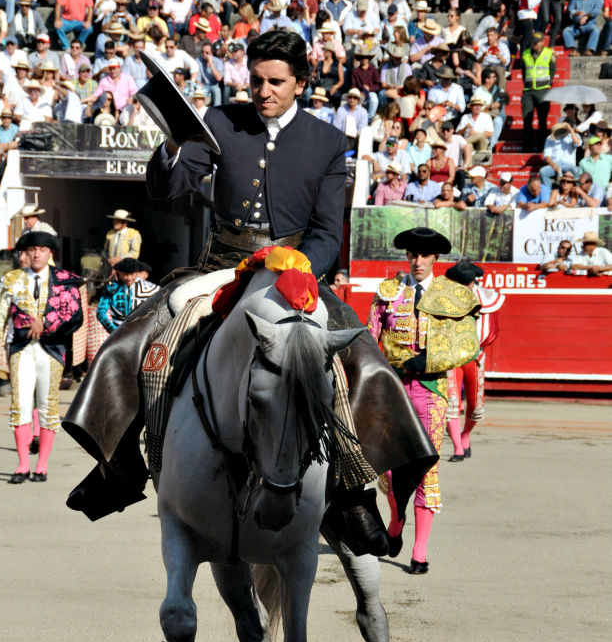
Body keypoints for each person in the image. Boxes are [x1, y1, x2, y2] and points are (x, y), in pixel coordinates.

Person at [65, 29, 437, 558]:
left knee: (365, 362)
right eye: (257, 80)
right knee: (127, 344)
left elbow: (329, 229)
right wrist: (173, 145)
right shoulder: (218, 121)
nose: (263, 91)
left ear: (301, 83)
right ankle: (121, 466)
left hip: (296, 270)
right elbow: (169, 190)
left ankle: (353, 490)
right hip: (220, 265)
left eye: (276, 82)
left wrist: (302, 270)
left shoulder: (328, 142)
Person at [367, 227, 480, 573]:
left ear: (435, 259)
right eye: (412, 255)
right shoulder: (389, 292)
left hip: (430, 391)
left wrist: (428, 361)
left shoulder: (452, 295)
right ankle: (397, 517)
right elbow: (370, 337)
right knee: (387, 465)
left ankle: (419, 552)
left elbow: (466, 344)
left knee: (426, 469)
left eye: (424, 255)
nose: (417, 261)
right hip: (392, 389)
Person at [0, 232, 83, 483]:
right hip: (21, 348)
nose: (37, 254)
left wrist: (45, 322)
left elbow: (74, 315)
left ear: (51, 253)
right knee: (20, 405)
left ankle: (42, 466)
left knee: (48, 406)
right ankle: (22, 465)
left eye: (42, 249)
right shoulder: (12, 279)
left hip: (51, 348)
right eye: (33, 249)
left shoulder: (65, 280)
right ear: (26, 253)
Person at [444, 258, 504, 461]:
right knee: (452, 402)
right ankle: (458, 448)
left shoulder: (485, 297)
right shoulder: (445, 298)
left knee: (475, 405)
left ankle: (465, 436)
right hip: (451, 357)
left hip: (475, 356)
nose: (464, 286)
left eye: (467, 282)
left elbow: (492, 330)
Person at [96, 257, 160, 332]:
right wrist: (113, 331)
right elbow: (100, 313)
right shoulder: (111, 289)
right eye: (125, 274)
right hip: (118, 333)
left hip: (142, 333)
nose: (129, 278)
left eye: (132, 274)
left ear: (137, 273)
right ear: (119, 273)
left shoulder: (152, 289)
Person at [520, 31, 555, 152]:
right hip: (528, 91)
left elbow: (552, 70)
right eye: (533, 42)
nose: (534, 44)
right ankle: (527, 147)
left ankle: (542, 147)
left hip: (542, 90)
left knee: (542, 120)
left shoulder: (549, 53)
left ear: (542, 42)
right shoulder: (525, 53)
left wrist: (547, 85)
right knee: (527, 120)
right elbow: (523, 71)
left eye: (537, 42)